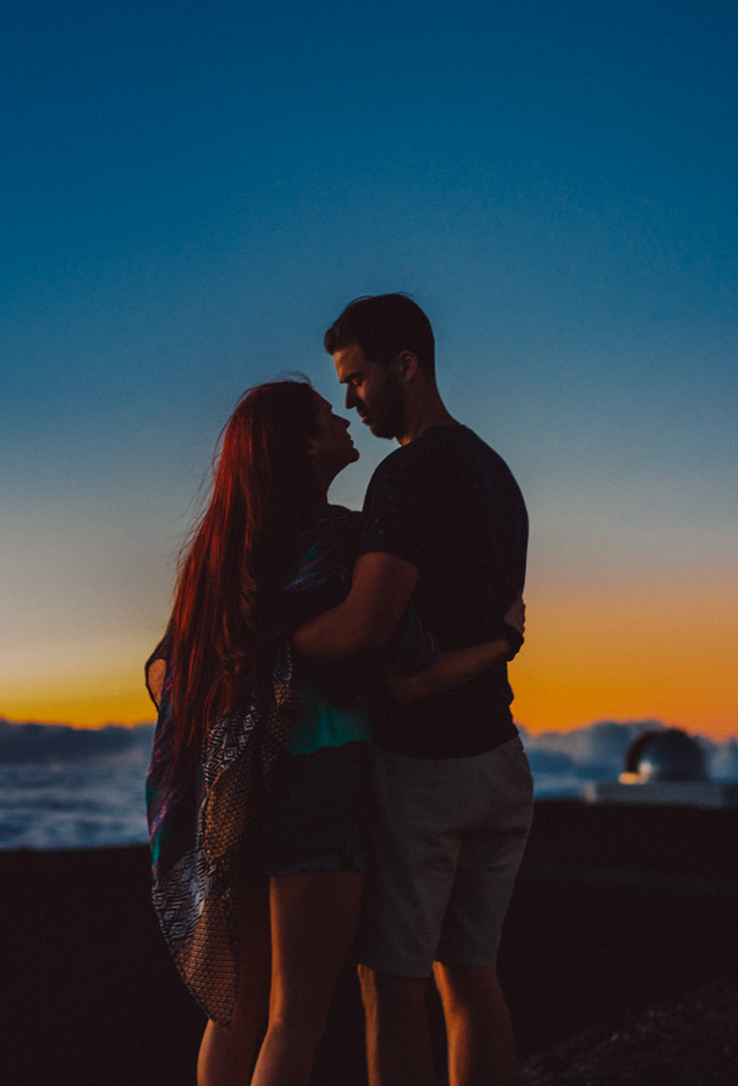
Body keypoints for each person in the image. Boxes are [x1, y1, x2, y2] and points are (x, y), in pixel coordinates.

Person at [145, 379, 518, 1086]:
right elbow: (409, 666)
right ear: (302, 448)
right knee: (296, 1017)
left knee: (234, 1012)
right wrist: (502, 640)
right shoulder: (342, 542)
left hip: (233, 788)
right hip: (318, 781)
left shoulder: (217, 558)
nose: (345, 416)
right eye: (325, 415)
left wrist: (246, 685)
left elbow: (166, 674)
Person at [291, 294, 532, 1086]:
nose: (348, 400)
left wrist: (268, 651)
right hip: (499, 760)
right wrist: (499, 644)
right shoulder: (498, 472)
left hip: (425, 769)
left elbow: (365, 625)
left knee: (391, 986)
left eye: (356, 379)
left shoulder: (406, 475)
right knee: (472, 978)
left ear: (406, 364)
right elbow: (486, 620)